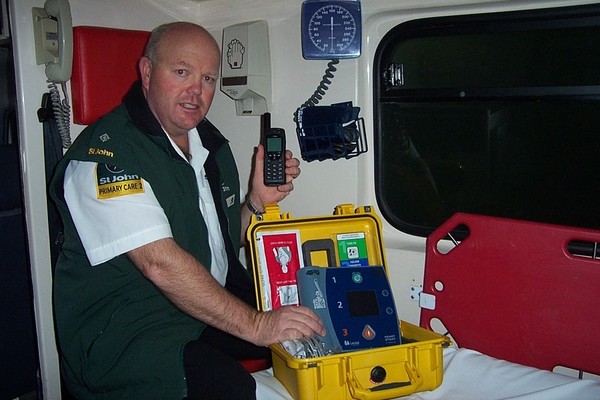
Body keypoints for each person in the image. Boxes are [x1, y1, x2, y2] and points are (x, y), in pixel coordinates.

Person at [49, 21, 324, 400]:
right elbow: (159, 264)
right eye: (182, 72)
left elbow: (219, 241)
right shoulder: (105, 159)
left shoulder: (211, 147)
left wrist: (256, 202)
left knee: (312, 341)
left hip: (195, 308)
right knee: (232, 387)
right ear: (147, 72)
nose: (196, 90)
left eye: (208, 78)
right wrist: (259, 325)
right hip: (125, 331)